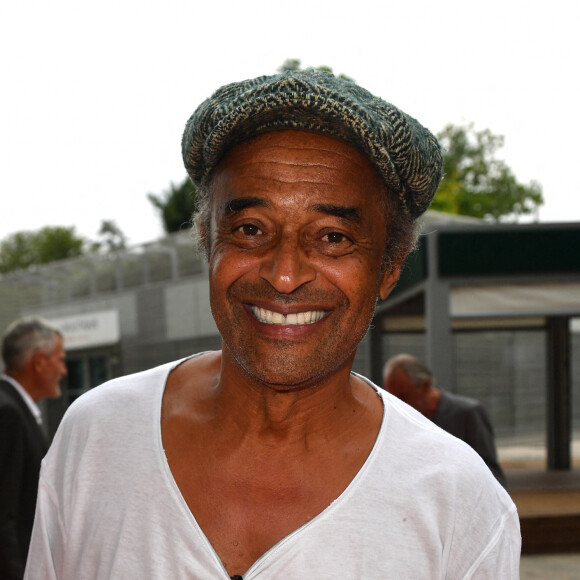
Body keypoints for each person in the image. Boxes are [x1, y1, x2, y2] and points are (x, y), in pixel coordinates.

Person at [25, 70, 520, 579]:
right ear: (208, 243)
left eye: (332, 237)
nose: (284, 274)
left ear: (388, 268)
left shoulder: (460, 504)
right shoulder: (98, 438)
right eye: (249, 229)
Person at [1, 317, 66, 579]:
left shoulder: (13, 408)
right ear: (39, 361)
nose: (64, 371)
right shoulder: (8, 414)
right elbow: (4, 516)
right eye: (60, 360)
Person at [383, 353, 507, 487]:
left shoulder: (468, 413)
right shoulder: (399, 420)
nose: (398, 404)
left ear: (425, 385)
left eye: (403, 396)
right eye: (392, 398)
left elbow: (491, 474)